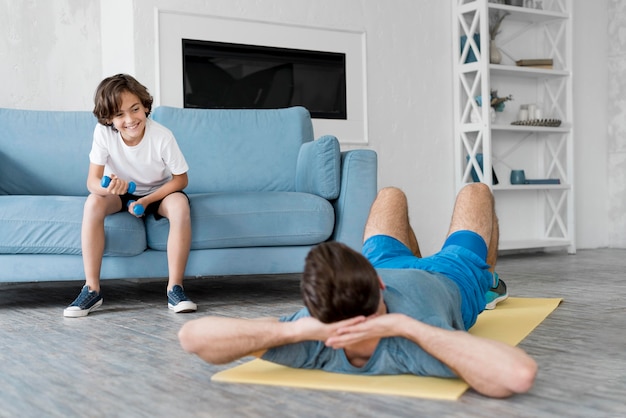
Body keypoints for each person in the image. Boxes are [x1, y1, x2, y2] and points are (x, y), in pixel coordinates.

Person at [177, 183, 537, 398]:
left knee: (390, 195)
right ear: (381, 287)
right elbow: (518, 375)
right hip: (450, 277)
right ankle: (487, 281)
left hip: (381, 262)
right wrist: (407, 326)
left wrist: (295, 329)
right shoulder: (418, 343)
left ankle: (399, 256)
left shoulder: (309, 335)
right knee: (476, 192)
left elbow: (191, 336)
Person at [64, 74, 196, 317]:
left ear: (145, 106)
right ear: (108, 120)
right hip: (122, 192)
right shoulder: (103, 133)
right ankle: (91, 289)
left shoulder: (162, 136)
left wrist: (146, 200)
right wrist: (110, 188)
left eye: (135, 109)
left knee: (179, 206)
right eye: (119, 115)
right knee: (93, 203)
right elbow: (92, 182)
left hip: (159, 193)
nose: (130, 119)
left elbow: (181, 179)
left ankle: (175, 288)